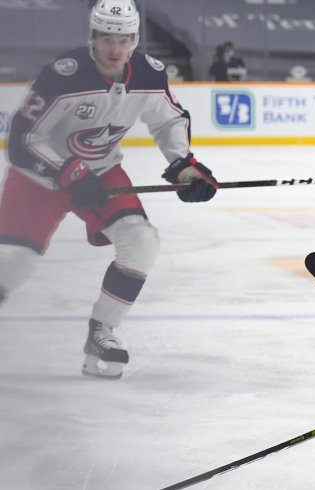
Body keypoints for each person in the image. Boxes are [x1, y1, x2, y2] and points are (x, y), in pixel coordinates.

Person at [0, 0, 218, 379]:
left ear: (134, 39)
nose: (115, 49)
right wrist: (68, 168)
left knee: (142, 240)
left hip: (100, 173)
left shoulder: (148, 75)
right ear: (92, 38)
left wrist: (184, 167)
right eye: (106, 39)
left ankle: (102, 331)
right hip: (39, 178)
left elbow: (169, 121)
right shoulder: (63, 75)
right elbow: (22, 137)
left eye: (124, 39)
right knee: (14, 263)